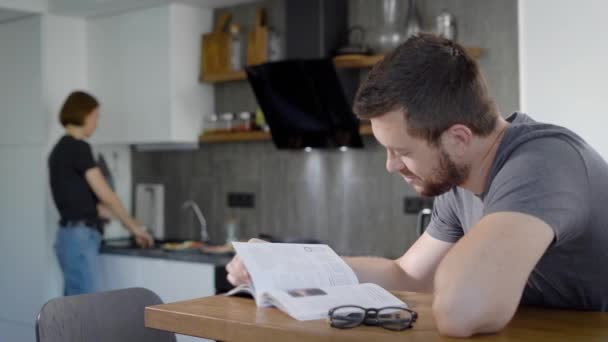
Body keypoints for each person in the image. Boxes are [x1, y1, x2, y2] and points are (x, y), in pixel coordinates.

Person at [225, 34, 608, 337]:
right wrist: (287, 266)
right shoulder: (459, 179)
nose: (391, 166)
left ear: (458, 137)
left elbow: (461, 311)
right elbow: (407, 275)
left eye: (401, 151)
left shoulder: (544, 164)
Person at [49, 90, 154, 296]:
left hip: (70, 237)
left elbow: (94, 207)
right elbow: (107, 195)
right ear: (85, 115)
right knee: (86, 309)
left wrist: (133, 226)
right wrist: (134, 227)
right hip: (80, 239)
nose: (96, 123)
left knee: (75, 306)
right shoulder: (79, 148)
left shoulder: (59, 149)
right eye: (96, 116)